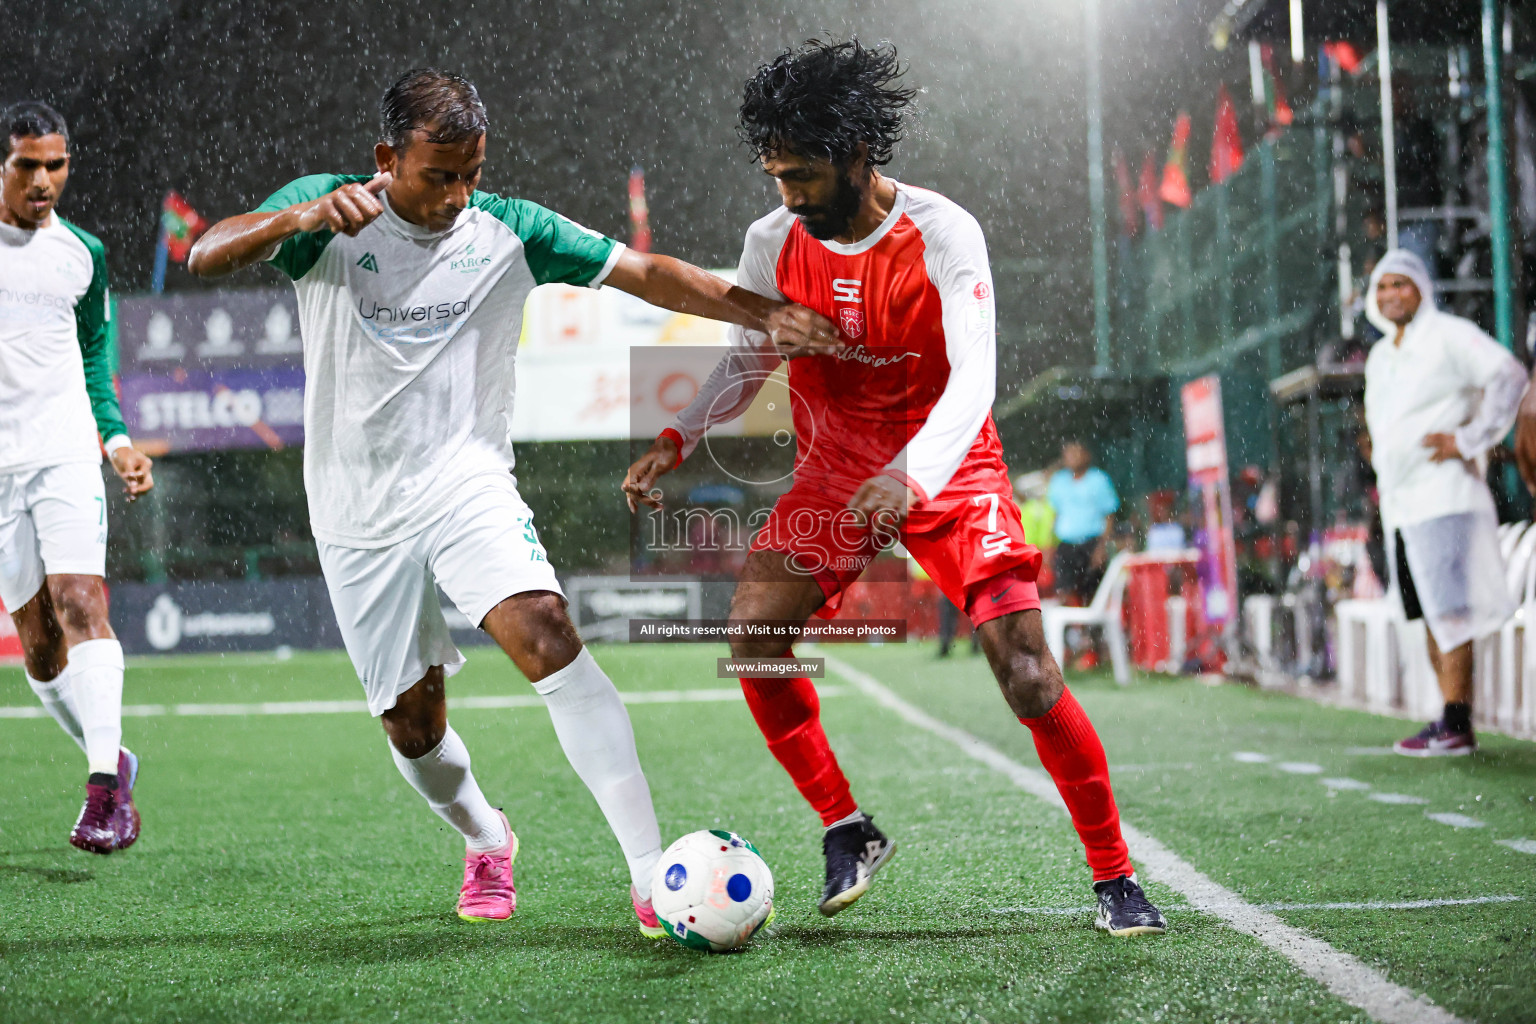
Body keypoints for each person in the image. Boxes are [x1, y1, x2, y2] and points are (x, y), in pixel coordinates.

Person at [188, 69, 834, 929]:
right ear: (387, 158)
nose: (458, 194)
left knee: (549, 635)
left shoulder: (510, 230)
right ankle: (488, 837)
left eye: (472, 172)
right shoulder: (327, 216)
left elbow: (646, 272)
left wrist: (764, 312)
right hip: (354, 509)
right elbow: (207, 253)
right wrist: (294, 219)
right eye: (438, 173)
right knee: (414, 729)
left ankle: (649, 877)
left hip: (467, 483)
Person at [623, 41, 1166, 937]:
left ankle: (1115, 879)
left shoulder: (944, 230)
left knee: (1027, 675)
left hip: (947, 465)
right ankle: (847, 827)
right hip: (836, 473)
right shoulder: (774, 241)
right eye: (776, 175)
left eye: (802, 174)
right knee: (755, 634)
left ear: (858, 156)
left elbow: (975, 380)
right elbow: (748, 353)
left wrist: (910, 474)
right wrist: (676, 437)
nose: (790, 195)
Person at [0, 101, 153, 856]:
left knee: (79, 601)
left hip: (65, 454)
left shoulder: (83, 253)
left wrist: (117, 439)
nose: (43, 180)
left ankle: (102, 794)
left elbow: (95, 357)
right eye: (27, 163)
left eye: (55, 164)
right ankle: (113, 759)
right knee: (38, 647)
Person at [1363, 249, 1525, 756]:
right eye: (1382, 286)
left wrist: (1470, 439)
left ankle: (1458, 720)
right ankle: (1448, 719)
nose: (1391, 295)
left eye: (1401, 285)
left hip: (1444, 499)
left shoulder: (1449, 335)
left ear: (1421, 290)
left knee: (1450, 611)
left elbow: (1509, 375)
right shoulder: (1381, 354)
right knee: (1429, 613)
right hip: (1403, 505)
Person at [1047, 442, 1119, 606]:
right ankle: (1071, 629)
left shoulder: (1098, 480)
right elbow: (1054, 515)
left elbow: (1109, 516)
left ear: (1086, 455)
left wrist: (1101, 548)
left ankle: (1091, 630)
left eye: (1076, 453)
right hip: (1066, 545)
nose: (1072, 457)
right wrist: (1049, 543)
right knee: (1063, 590)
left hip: (1091, 544)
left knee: (1092, 591)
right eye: (1068, 454)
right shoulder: (1058, 481)